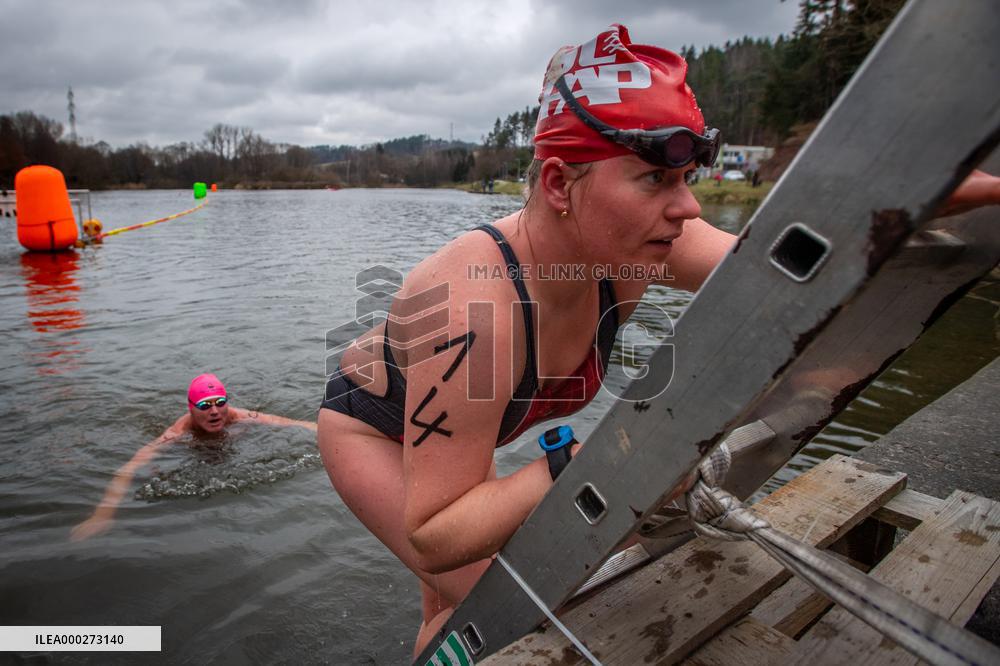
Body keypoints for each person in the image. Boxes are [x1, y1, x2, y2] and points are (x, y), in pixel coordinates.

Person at [316, 24, 1000, 656]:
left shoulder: (641, 243)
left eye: (687, 180)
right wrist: (582, 467)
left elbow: (790, 269)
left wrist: (908, 193)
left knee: (447, 608)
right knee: (491, 604)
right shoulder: (472, 309)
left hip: (463, 427)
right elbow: (433, 533)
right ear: (559, 183)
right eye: (656, 179)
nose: (688, 207)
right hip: (373, 429)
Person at [71, 373, 316, 541]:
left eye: (220, 403)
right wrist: (101, 515)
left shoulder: (239, 417)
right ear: (191, 408)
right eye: (204, 406)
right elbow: (130, 467)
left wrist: (334, 432)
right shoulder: (176, 433)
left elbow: (289, 423)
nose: (214, 412)